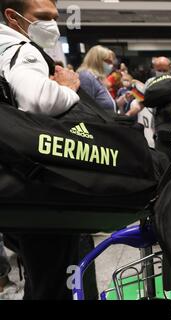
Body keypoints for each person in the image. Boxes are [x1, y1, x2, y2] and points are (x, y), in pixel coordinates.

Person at [0, 0, 83, 300]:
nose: (51, 24)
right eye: (43, 17)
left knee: (40, 278)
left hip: (14, 186)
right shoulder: (21, 48)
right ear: (13, 16)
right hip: (41, 191)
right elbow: (40, 100)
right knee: (54, 284)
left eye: (55, 17)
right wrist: (68, 86)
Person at [77, 45, 116, 112]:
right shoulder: (86, 77)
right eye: (108, 62)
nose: (111, 65)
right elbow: (85, 110)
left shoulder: (97, 78)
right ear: (97, 61)